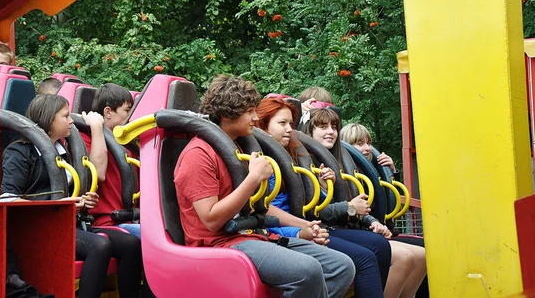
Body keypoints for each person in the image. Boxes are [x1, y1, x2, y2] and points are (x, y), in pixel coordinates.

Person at [174, 75, 355, 298]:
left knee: (341, 266)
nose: (255, 117)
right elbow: (211, 220)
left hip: (251, 235)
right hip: (218, 244)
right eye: (249, 111)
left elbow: (258, 207)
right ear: (226, 114)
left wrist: (306, 225)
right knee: (306, 270)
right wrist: (253, 179)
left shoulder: (236, 149)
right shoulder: (198, 155)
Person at [1, 94, 144, 298]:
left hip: (69, 222)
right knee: (100, 246)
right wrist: (60, 205)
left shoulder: (63, 151)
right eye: (65, 116)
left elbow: (67, 198)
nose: (71, 121)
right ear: (49, 118)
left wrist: (82, 202)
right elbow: (7, 198)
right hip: (38, 226)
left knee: (131, 244)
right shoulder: (20, 152)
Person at [256, 97, 391, 297]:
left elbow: (310, 201)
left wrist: (320, 186)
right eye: (282, 123)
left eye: (290, 124)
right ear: (264, 126)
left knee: (379, 246)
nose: (289, 129)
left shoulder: (291, 157)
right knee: (362, 259)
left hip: (308, 226)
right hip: (298, 229)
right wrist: (303, 230)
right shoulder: (267, 163)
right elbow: (270, 212)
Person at [302, 108, 427, 298]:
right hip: (327, 228)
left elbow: (361, 204)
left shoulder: (342, 163)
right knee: (393, 255)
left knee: (421, 254)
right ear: (309, 131)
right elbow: (318, 210)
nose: (330, 131)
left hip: (351, 225)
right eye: (322, 127)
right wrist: (351, 208)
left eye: (334, 127)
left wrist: (372, 221)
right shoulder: (306, 164)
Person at [340, 122, 430, 298]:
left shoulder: (373, 172)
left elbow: (391, 201)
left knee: (424, 252)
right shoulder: (346, 174)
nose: (366, 148)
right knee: (405, 257)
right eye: (359, 144)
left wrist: (391, 172)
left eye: (368, 143)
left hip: (381, 229)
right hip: (363, 231)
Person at [81, 83, 140, 237]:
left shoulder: (127, 143)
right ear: (108, 112)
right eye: (127, 111)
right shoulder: (86, 138)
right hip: (107, 221)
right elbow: (98, 173)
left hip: (132, 218)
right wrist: (97, 127)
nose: (131, 116)